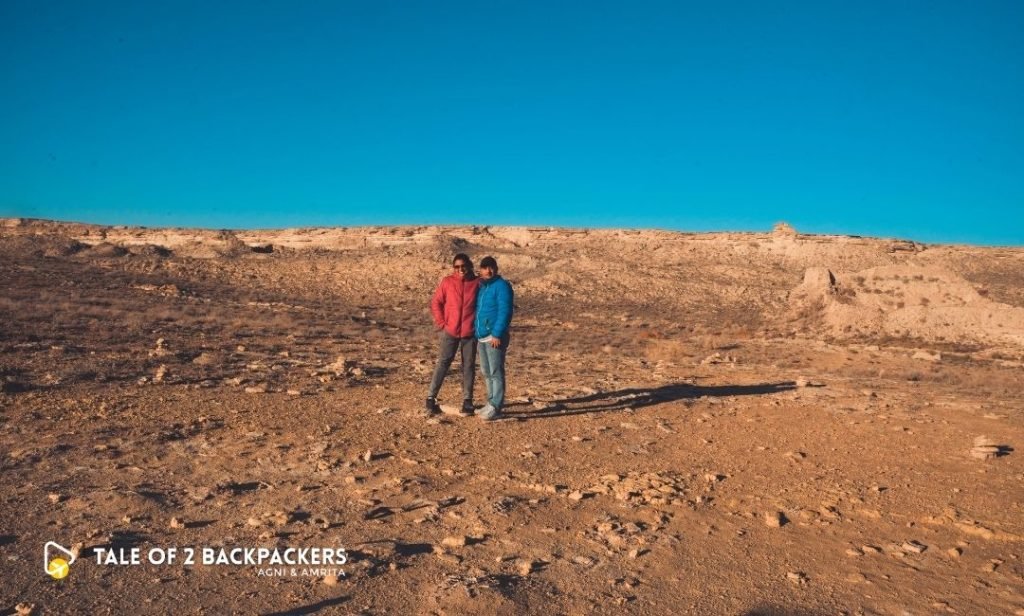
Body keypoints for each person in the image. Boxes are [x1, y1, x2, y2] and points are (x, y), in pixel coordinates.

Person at [426, 253, 481, 416]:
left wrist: (479, 325)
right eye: (457, 266)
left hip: (470, 332)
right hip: (450, 331)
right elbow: (436, 302)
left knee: (468, 366)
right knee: (443, 363)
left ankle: (467, 401)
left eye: (463, 265)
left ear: (469, 265)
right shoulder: (447, 282)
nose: (460, 269)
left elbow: (484, 305)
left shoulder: (477, 283)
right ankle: (430, 398)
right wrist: (442, 323)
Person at [474, 256, 514, 421]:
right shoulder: (483, 287)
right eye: (485, 268)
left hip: (494, 337)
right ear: (481, 270)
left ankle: (496, 406)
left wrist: (497, 333)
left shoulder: (502, 286)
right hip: (482, 336)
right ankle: (490, 402)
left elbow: (505, 311)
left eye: (491, 267)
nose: (488, 271)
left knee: (496, 372)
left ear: (496, 269)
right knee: (486, 371)